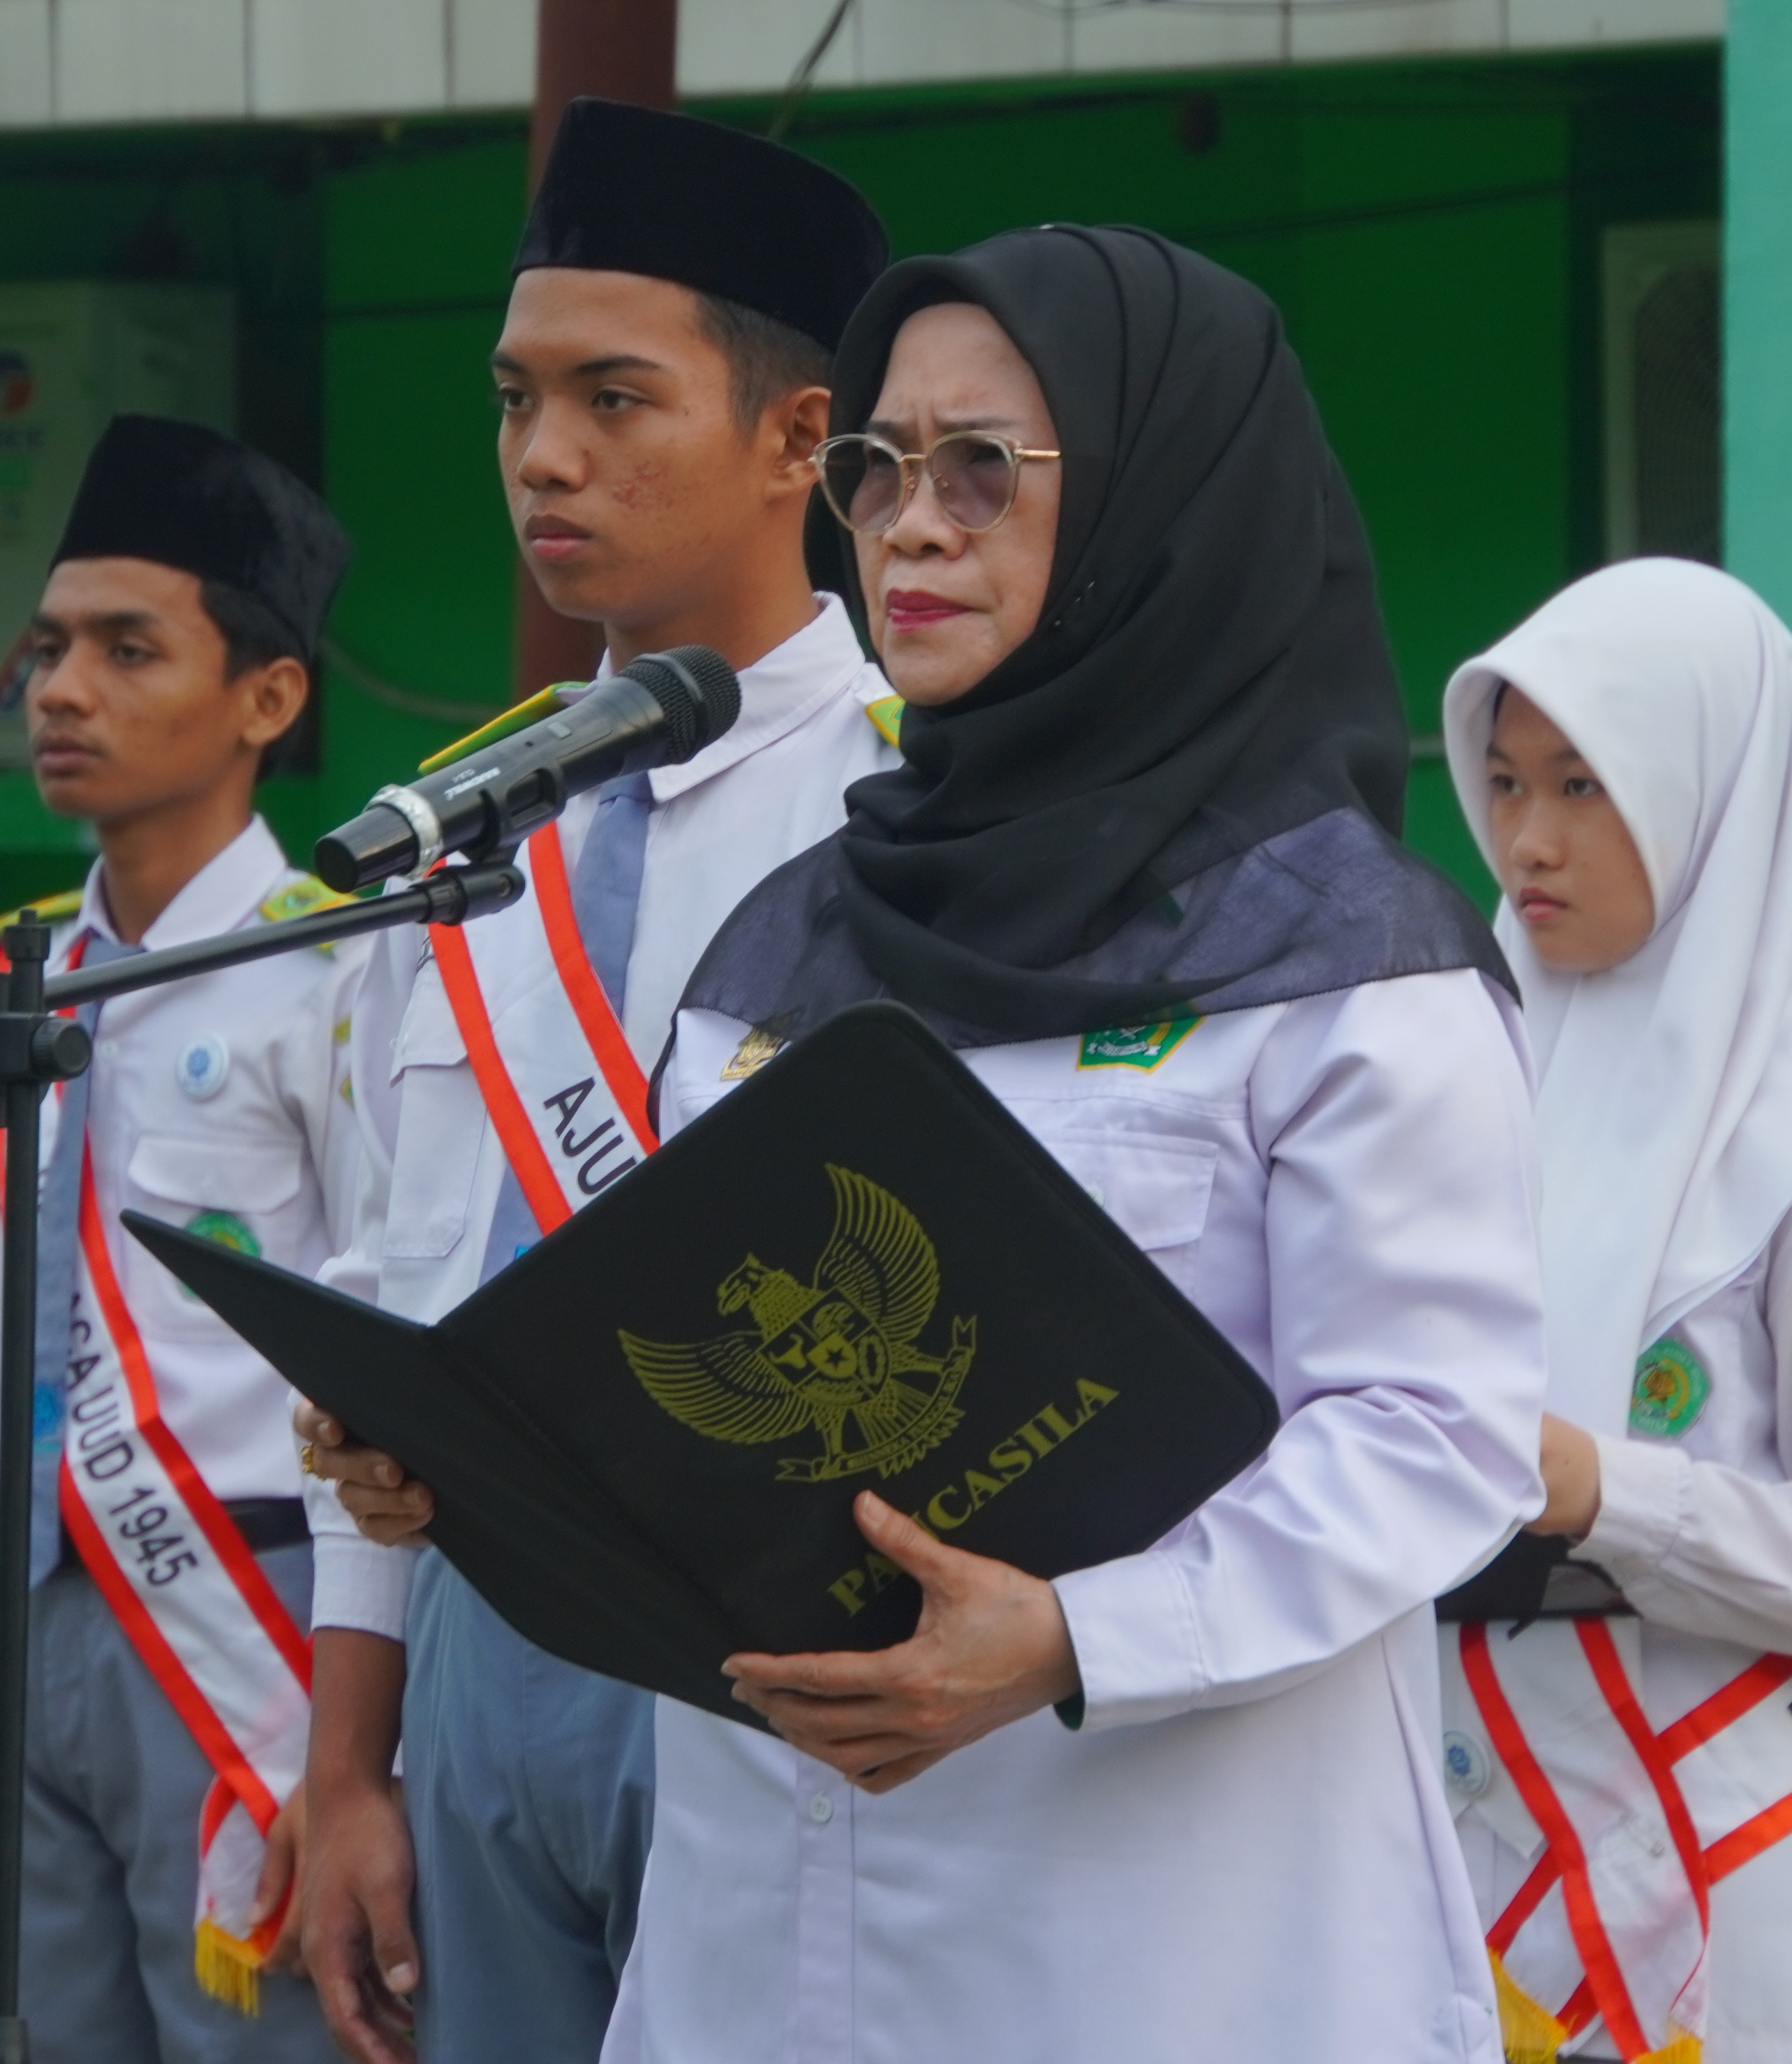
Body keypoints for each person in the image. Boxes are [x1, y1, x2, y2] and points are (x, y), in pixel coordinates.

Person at [607, 224, 1549, 2058]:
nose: (910, 524)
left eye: (987, 468)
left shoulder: (1347, 965)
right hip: (765, 1920)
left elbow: (1437, 1434)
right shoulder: (778, 947)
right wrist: (481, 1465)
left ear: (1158, 504)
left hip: (1165, 1937)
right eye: (877, 470)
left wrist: (1076, 1635)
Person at [280, 97, 896, 2064]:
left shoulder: (915, 814)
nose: (543, 456)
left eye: (615, 398)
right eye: (514, 397)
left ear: (800, 438)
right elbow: (398, 1278)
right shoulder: (460, 826)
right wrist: (349, 1754)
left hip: (779, 1650)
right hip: (481, 1651)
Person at [1429, 558, 1792, 2064]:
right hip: (1463, 1854)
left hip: (1719, 1873)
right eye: (1499, 781)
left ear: (1710, 789)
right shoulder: (1473, 1069)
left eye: (1583, 786)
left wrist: (1604, 1491)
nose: (1527, 839)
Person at [0, 414, 369, 2062]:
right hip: (24, 1604)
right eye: (47, 649)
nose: (61, 689)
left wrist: (355, 1736)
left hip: (247, 1611)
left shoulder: (337, 978)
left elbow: (387, 1353)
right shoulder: (6, 985)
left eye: (125, 649)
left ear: (267, 697)